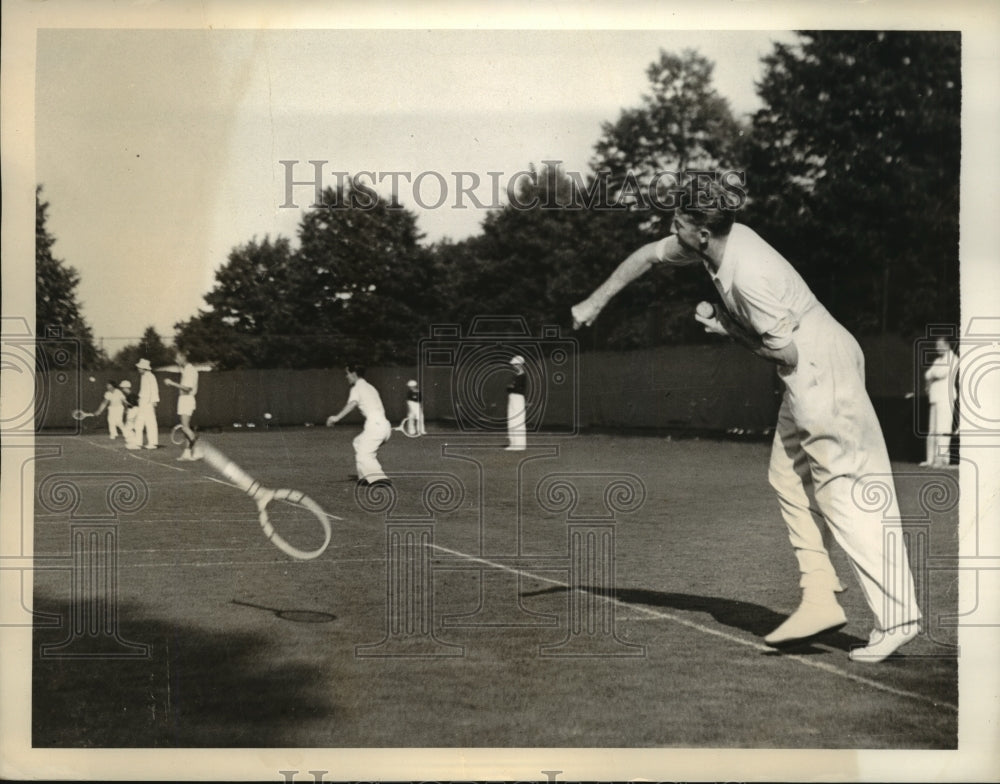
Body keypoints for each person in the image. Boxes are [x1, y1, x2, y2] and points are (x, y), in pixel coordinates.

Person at [571, 189, 921, 663]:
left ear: (702, 233)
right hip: (814, 361)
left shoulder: (748, 274)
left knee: (843, 492)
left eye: (677, 226)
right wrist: (595, 301)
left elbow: (786, 353)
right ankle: (818, 595)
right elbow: (648, 257)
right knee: (785, 475)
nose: (670, 234)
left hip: (815, 363)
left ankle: (898, 619)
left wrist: (727, 331)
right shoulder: (711, 240)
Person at [326, 365, 392, 487]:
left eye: (347, 373)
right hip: (384, 426)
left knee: (364, 453)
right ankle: (364, 477)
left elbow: (352, 403)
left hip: (375, 426)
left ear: (354, 374)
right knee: (358, 442)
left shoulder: (357, 388)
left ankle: (379, 479)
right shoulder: (371, 387)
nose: (346, 376)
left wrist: (336, 418)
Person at [920, 337, 958, 468]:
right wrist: (931, 374)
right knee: (932, 430)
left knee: (943, 429)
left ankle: (942, 460)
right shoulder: (937, 360)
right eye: (937, 345)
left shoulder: (953, 358)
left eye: (941, 345)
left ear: (947, 345)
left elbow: (941, 373)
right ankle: (930, 460)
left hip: (946, 398)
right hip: (935, 398)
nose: (938, 348)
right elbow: (927, 374)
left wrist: (932, 374)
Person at [163, 350, 201, 461]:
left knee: (185, 427)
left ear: (183, 358)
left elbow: (187, 388)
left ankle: (198, 450)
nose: (176, 360)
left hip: (187, 400)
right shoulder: (185, 369)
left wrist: (171, 383)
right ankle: (187, 452)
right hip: (184, 400)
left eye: (177, 358)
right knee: (186, 428)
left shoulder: (190, 370)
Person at [133, 358, 160, 450]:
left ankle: (152, 443)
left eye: (139, 367)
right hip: (143, 402)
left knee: (150, 423)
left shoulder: (150, 376)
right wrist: (140, 400)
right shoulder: (143, 376)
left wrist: (154, 401)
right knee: (138, 423)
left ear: (144, 368)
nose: (138, 369)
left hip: (148, 404)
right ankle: (138, 443)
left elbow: (154, 389)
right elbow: (143, 391)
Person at [505, 355, 528, 451]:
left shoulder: (523, 376)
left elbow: (518, 389)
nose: (514, 366)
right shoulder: (517, 376)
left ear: (520, 365)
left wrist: (512, 387)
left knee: (518, 420)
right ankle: (513, 444)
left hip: (518, 398)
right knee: (512, 420)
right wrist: (511, 387)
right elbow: (510, 388)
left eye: (515, 364)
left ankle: (520, 445)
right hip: (513, 398)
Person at [120, 379, 142, 450]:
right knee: (130, 428)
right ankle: (134, 443)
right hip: (135, 411)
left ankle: (133, 444)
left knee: (128, 428)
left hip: (133, 411)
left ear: (126, 387)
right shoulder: (133, 395)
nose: (123, 390)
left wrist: (124, 401)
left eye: (123, 388)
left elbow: (132, 405)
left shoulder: (130, 395)